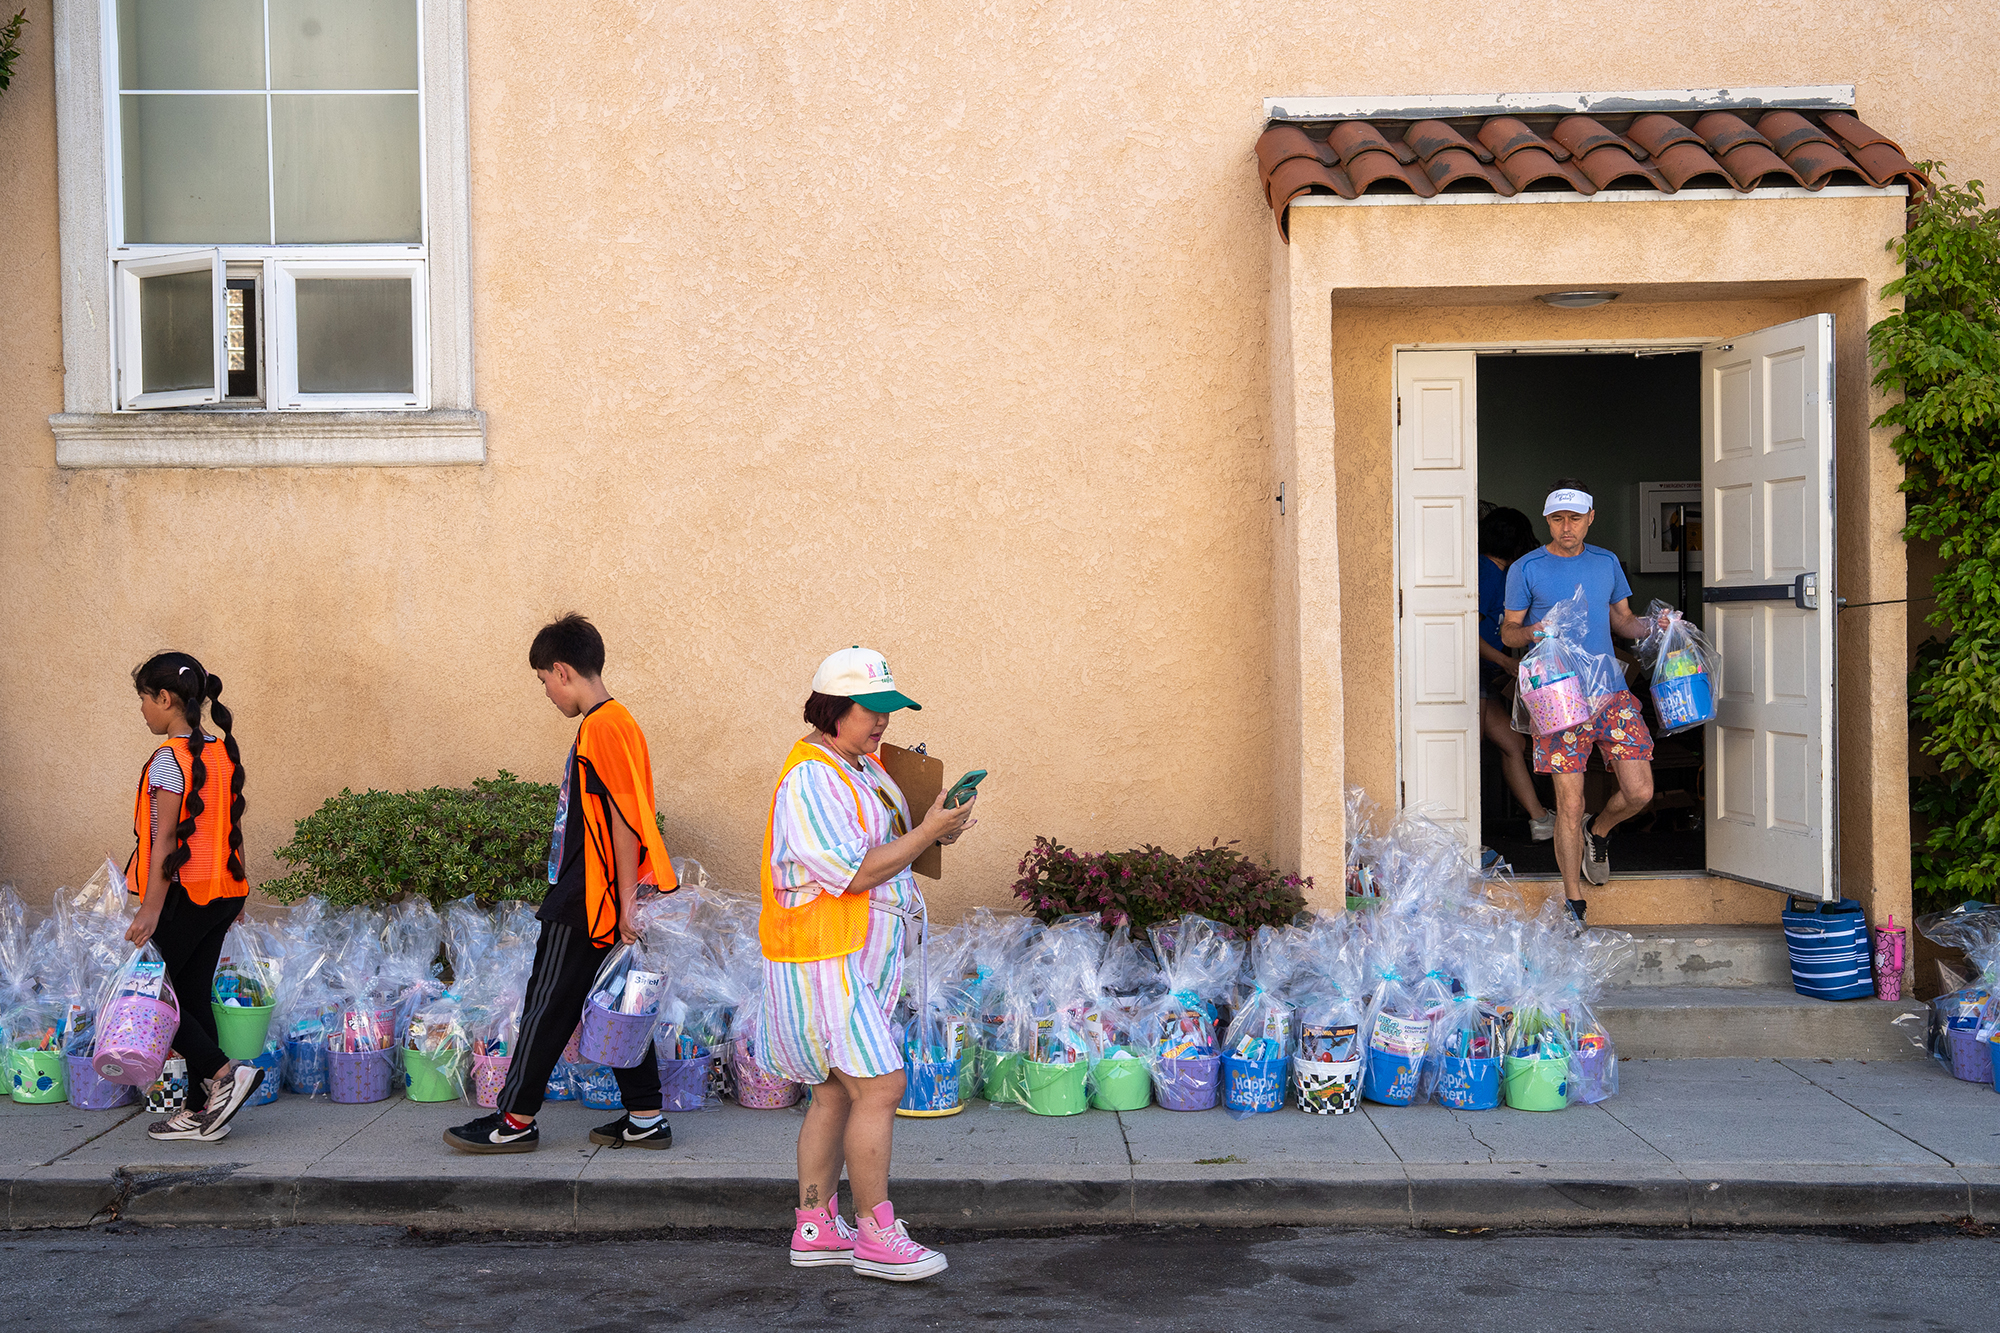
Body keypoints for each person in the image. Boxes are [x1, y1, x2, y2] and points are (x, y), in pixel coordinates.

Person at [757, 647, 975, 1282]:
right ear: (833, 710)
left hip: (848, 955)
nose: (883, 721)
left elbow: (893, 844)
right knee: (880, 1086)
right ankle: (877, 1232)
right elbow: (853, 871)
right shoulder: (812, 779)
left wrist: (939, 826)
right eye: (871, 709)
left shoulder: (854, 764)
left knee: (833, 1091)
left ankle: (815, 1224)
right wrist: (927, 833)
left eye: (888, 709)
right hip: (829, 955)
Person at [446, 614, 679, 1154]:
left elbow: (623, 821)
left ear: (562, 669)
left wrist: (623, 905)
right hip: (601, 896)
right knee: (613, 1004)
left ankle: (514, 1120)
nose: (547, 693)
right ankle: (645, 1117)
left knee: (547, 1005)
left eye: (543, 681)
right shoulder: (620, 722)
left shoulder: (602, 726)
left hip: (587, 897)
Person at [1500, 481, 1660, 923]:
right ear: (1546, 520)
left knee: (1640, 791)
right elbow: (1508, 631)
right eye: (1557, 519)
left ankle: (1600, 830)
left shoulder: (1605, 562)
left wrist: (1658, 625)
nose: (1565, 527)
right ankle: (1574, 901)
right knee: (1569, 803)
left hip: (1609, 690)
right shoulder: (1527, 568)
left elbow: (1624, 622)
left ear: (1590, 517)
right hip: (1556, 693)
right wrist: (1534, 631)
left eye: (1574, 518)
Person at [125, 652, 264, 1142]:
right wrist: (239, 887)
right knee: (189, 995)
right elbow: (233, 826)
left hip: (184, 895)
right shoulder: (222, 753)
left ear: (165, 699)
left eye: (143, 699)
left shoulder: (168, 759)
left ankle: (226, 1074)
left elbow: (164, 844)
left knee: (152, 999)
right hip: (222, 892)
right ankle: (203, 1109)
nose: (142, 710)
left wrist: (149, 908)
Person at [1477, 507, 1553, 843]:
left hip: (1483, 674)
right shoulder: (1486, 572)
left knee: (1512, 742)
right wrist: (1506, 663)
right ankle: (1461, 828)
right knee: (1470, 747)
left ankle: (1539, 820)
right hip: (1472, 673)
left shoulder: (1499, 573)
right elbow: (1467, 632)